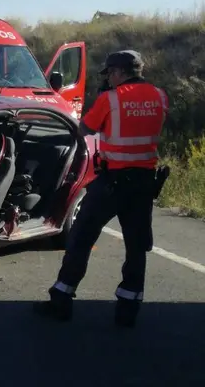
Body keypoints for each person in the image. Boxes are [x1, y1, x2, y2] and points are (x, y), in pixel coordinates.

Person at [33, 50, 170, 328]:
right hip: (144, 183)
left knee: (81, 238)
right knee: (136, 247)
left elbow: (85, 128)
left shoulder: (111, 99)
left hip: (112, 182)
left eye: (109, 73)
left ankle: (61, 299)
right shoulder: (160, 96)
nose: (108, 78)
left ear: (118, 72)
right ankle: (128, 310)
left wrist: (103, 102)